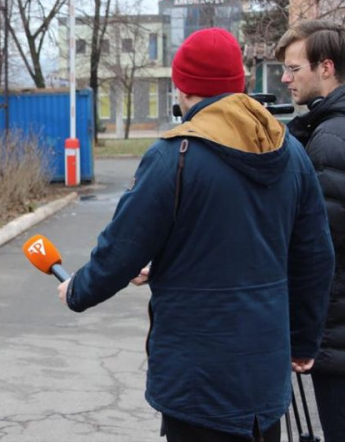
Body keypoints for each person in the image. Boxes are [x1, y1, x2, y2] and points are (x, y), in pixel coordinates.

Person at [56, 28, 335, 442]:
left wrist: (78, 290)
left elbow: (122, 248)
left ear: (184, 87)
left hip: (197, 380)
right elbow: (315, 256)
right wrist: (302, 343)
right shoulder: (288, 149)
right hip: (265, 374)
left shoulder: (175, 156)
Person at [275, 20, 345, 442]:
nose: (285, 78)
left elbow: (317, 249)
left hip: (336, 336)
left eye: (293, 68)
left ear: (326, 68)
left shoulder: (329, 139)